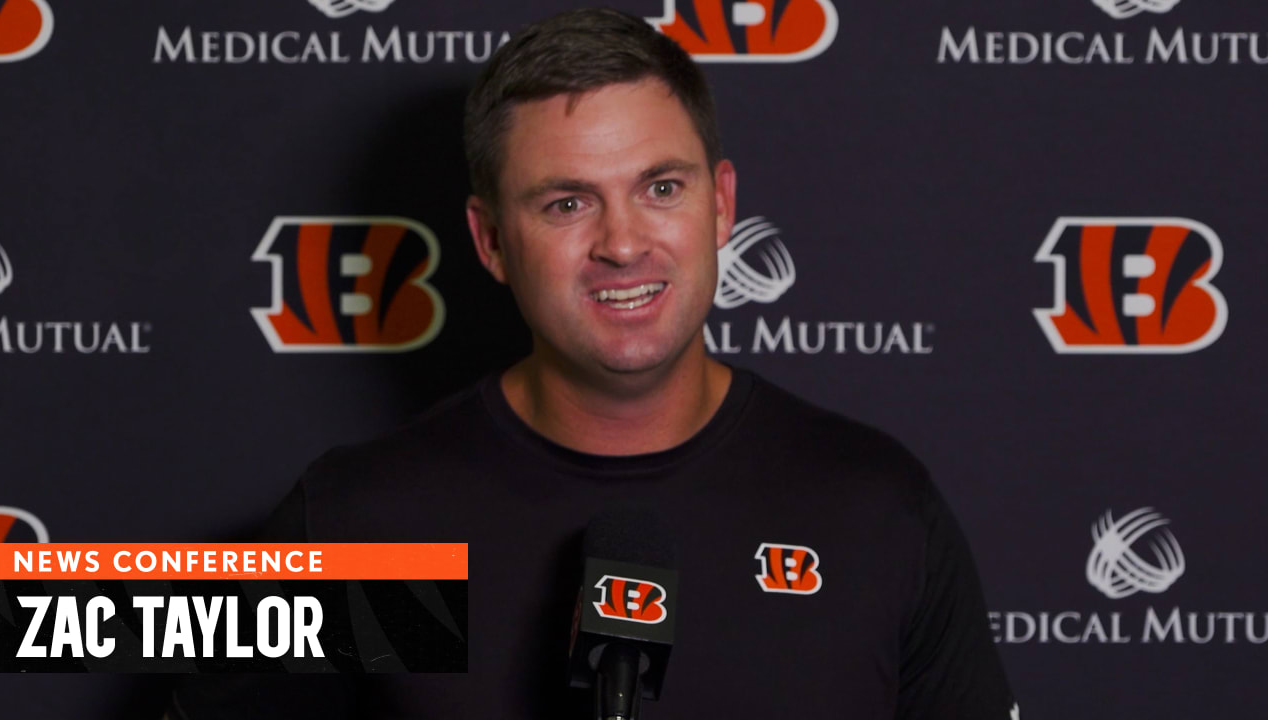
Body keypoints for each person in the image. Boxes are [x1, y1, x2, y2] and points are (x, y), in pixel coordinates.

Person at [175, 8, 1014, 719]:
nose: (622, 243)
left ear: (721, 205)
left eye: (661, 188)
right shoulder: (366, 524)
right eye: (567, 202)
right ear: (491, 240)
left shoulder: (870, 510)